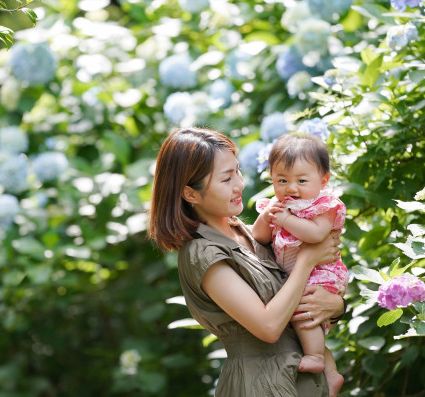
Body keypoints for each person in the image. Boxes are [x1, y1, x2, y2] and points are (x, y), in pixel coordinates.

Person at [148, 127, 346, 396]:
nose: (240, 184)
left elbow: (296, 297)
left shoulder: (247, 232)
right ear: (190, 194)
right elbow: (268, 326)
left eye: (238, 171)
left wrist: (336, 305)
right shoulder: (202, 253)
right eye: (227, 179)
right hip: (260, 385)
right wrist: (308, 259)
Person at [252, 133, 347, 397]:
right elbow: (260, 237)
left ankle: (316, 357)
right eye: (282, 180)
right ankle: (331, 374)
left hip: (322, 272)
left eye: (302, 180)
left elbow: (317, 236)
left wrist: (284, 220)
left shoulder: (323, 205)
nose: (291, 188)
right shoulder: (279, 205)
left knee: (302, 313)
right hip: (300, 273)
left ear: (323, 180)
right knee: (303, 324)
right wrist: (265, 217)